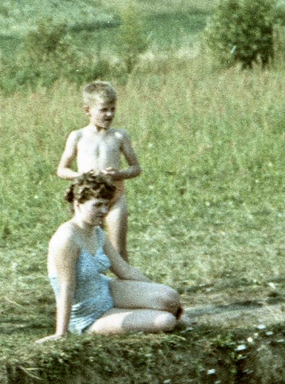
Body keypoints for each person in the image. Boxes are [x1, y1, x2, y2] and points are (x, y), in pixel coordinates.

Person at [38, 173, 181, 340]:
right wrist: (60, 333)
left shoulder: (96, 231)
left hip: (106, 291)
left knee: (170, 297)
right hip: (87, 315)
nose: (104, 211)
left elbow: (125, 271)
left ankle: (167, 311)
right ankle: (157, 316)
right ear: (78, 204)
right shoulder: (66, 238)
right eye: (97, 205)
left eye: (106, 205)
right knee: (166, 320)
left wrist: (155, 293)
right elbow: (66, 288)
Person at [55, 81, 142, 261]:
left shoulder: (119, 136)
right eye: (103, 110)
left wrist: (119, 174)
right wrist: (81, 176)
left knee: (118, 250)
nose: (109, 114)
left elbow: (136, 168)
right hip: (88, 198)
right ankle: (95, 286)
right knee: (88, 248)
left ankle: (126, 286)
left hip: (115, 196)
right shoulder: (78, 136)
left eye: (113, 109)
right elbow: (62, 170)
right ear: (88, 110)